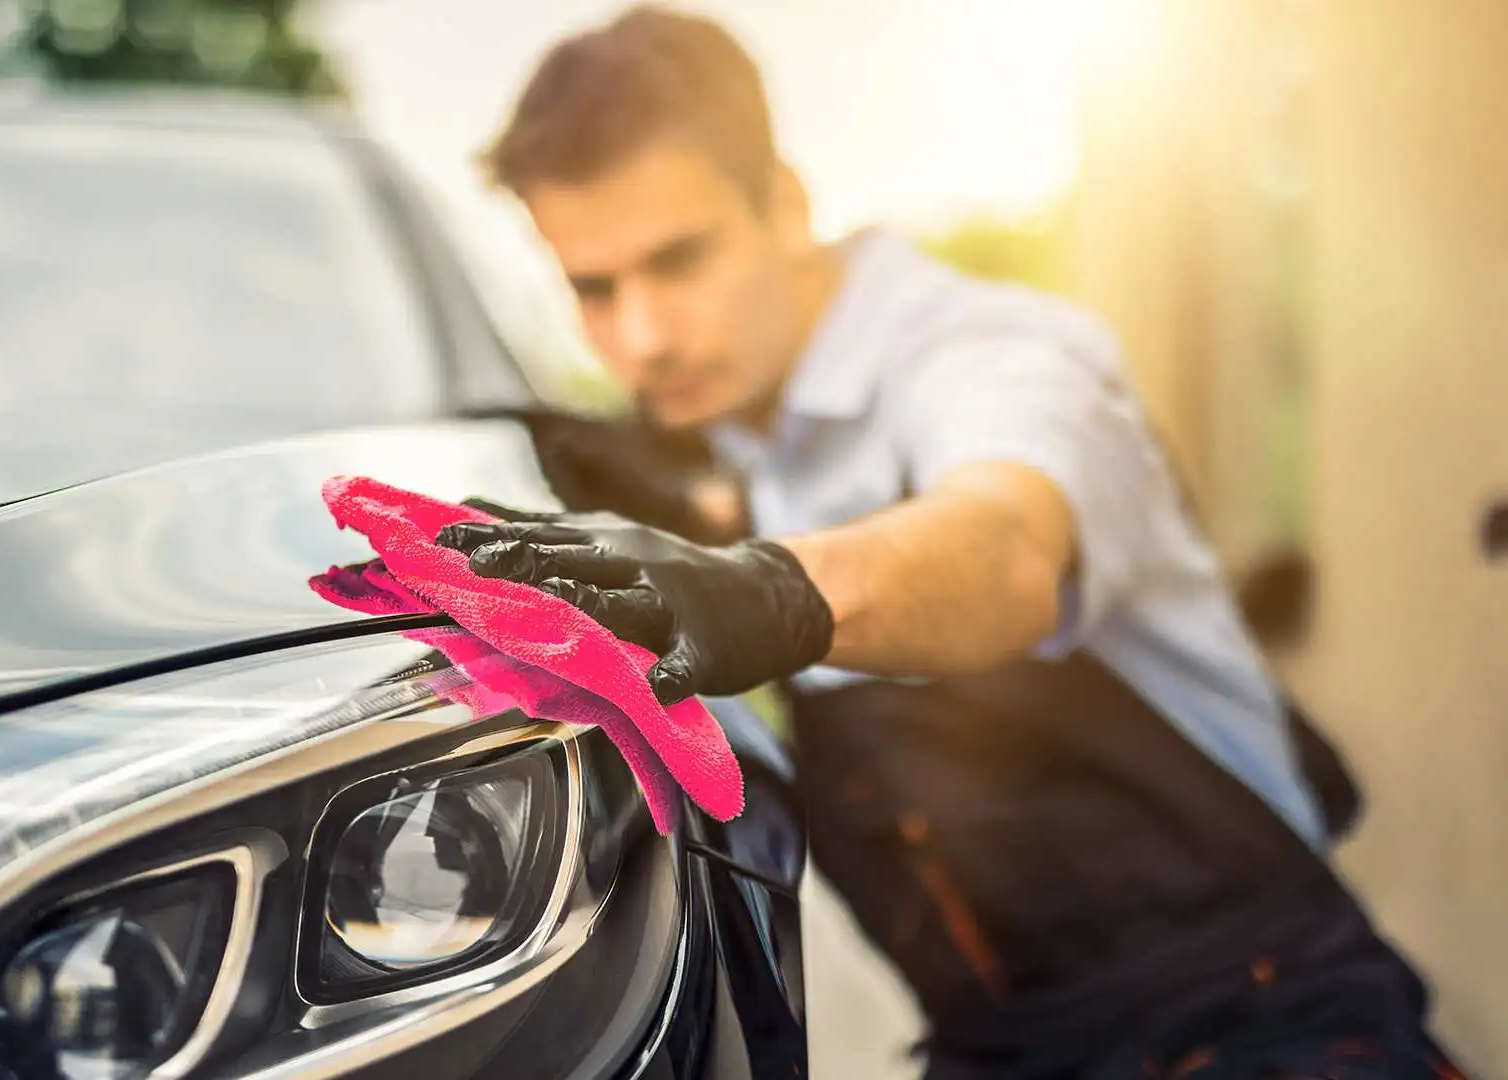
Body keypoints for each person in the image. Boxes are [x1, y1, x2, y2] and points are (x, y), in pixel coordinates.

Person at [436, 7, 1465, 1079]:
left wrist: (765, 593)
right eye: (594, 289)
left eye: (680, 260)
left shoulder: (995, 355)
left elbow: (1006, 545)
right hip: (1006, 1048)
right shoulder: (748, 445)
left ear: (785, 205)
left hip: (1260, 1025)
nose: (641, 335)